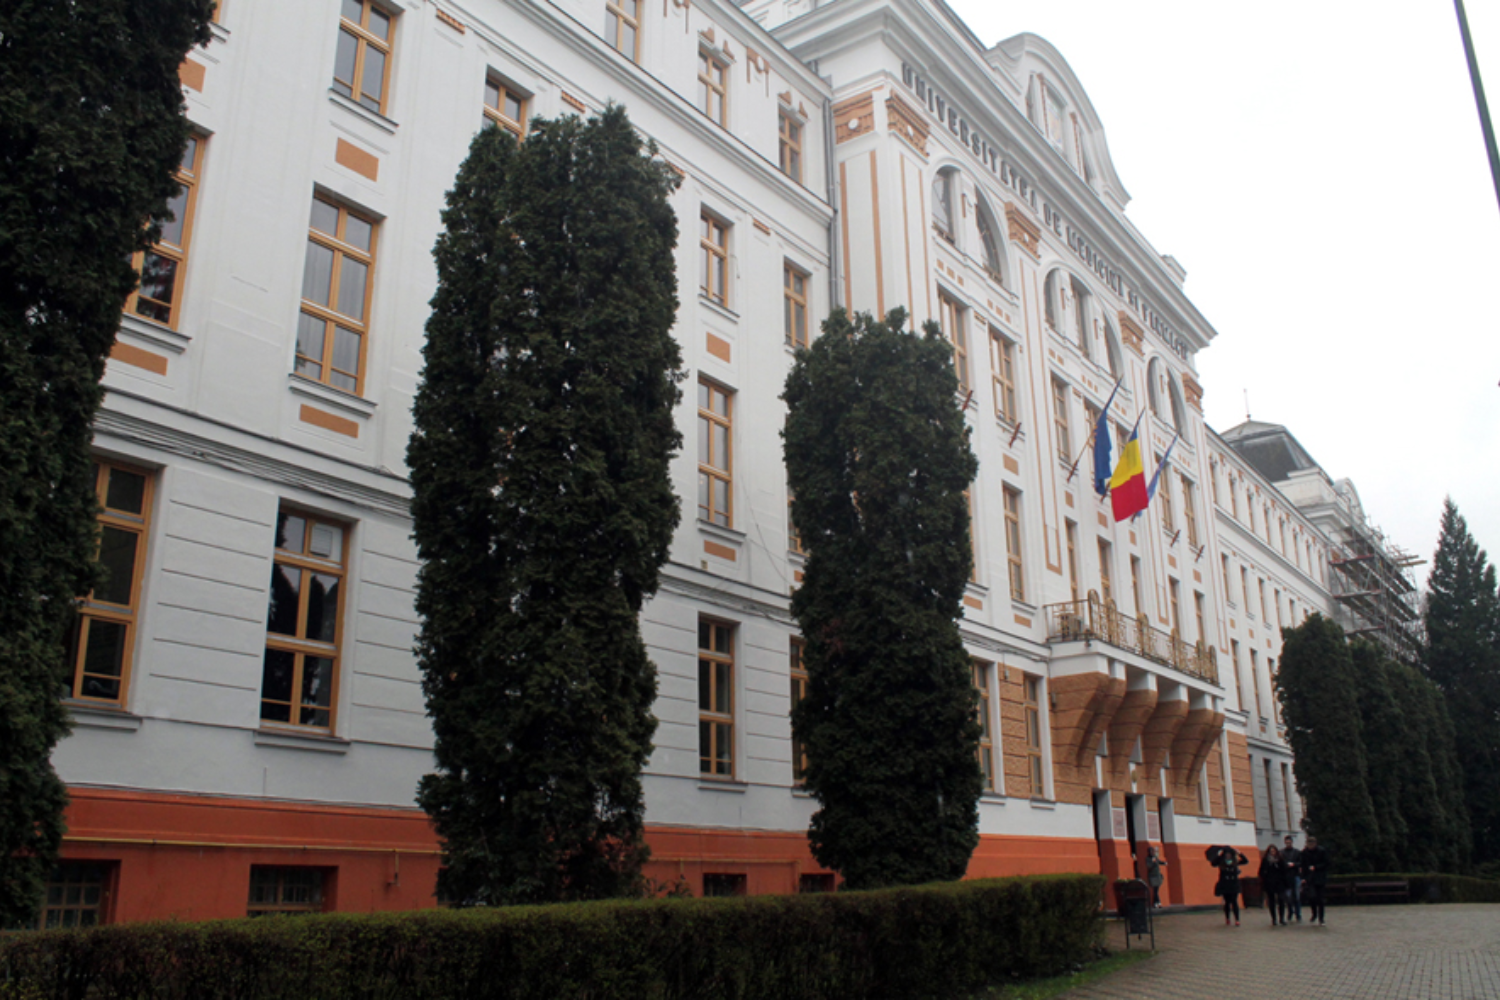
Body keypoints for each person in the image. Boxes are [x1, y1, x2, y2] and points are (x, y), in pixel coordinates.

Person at [1212, 845, 1250, 926]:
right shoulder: (1221, 862)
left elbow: (1245, 861)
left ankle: (1237, 919)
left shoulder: (1235, 861)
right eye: (1226, 854)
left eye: (1229, 854)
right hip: (1225, 884)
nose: (1228, 855)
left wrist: (1239, 853)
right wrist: (1219, 856)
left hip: (1234, 884)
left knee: (1234, 901)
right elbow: (1213, 864)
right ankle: (1228, 918)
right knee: (1227, 902)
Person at [1300, 835, 1331, 926]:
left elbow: (1326, 863)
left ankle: (1321, 918)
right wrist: (1303, 878)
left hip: (1320, 877)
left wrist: (1316, 867)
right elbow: (1303, 865)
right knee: (1312, 897)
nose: (1310, 846)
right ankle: (1314, 913)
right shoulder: (1304, 853)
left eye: (1312, 844)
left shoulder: (1322, 851)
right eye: (1309, 844)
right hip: (1310, 878)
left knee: (1320, 899)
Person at [1258, 845, 1287, 926]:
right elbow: (1261, 871)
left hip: (1280, 882)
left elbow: (1284, 870)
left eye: (1274, 851)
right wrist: (1265, 877)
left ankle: (1282, 918)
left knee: (1281, 899)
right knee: (1271, 901)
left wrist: (1284, 880)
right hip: (1269, 882)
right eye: (1271, 851)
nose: (1272, 853)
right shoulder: (1266, 860)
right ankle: (1274, 918)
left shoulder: (1280, 860)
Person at [1282, 835, 1303, 923]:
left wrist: (1294, 864)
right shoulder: (1281, 852)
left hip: (1295, 875)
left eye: (1289, 842)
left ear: (1292, 842)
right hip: (1286, 877)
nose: (1288, 844)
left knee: (1296, 896)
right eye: (1287, 842)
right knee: (1288, 896)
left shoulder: (1297, 852)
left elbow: (1301, 862)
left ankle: (1298, 914)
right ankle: (1290, 912)